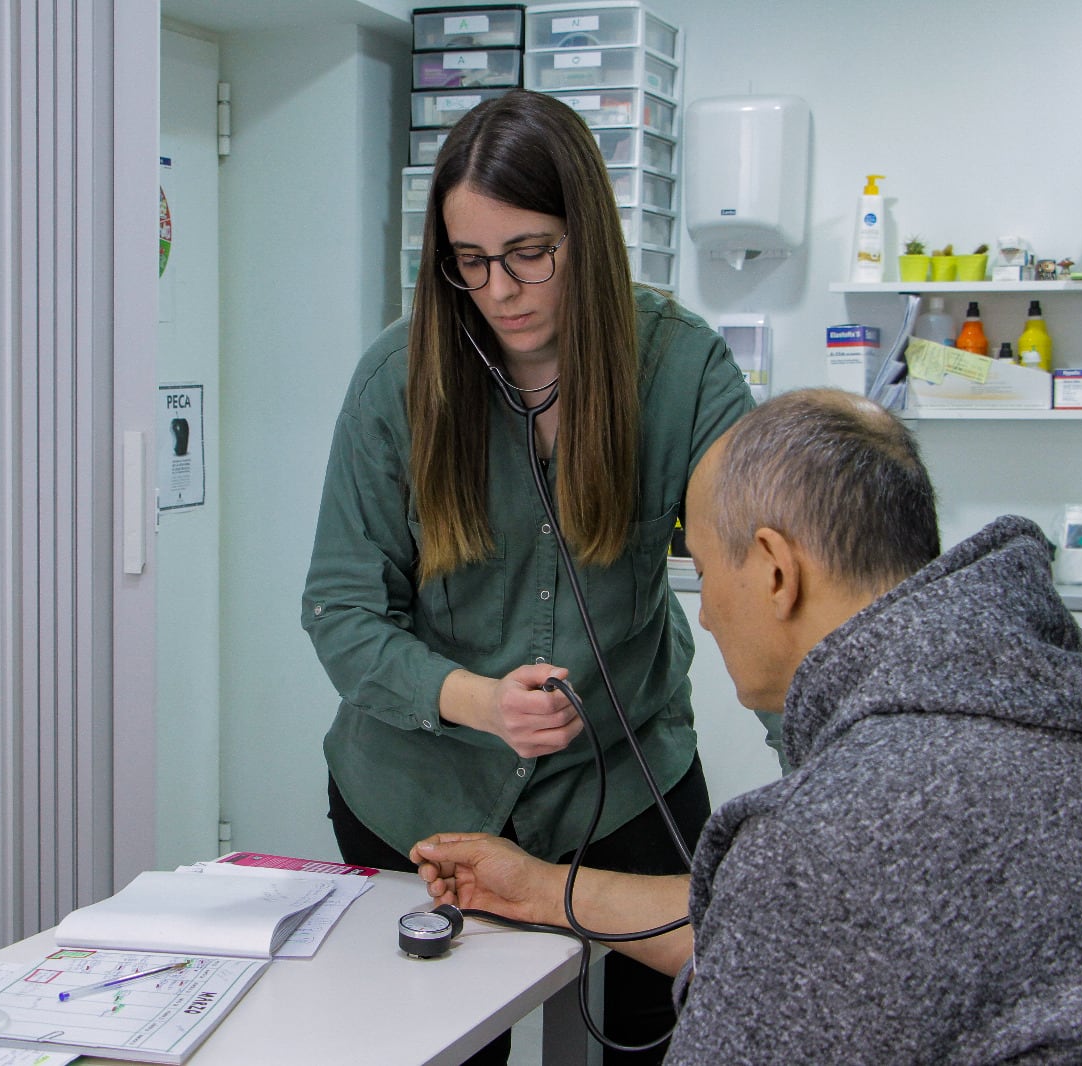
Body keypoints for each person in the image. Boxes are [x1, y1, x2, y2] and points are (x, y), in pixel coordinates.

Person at [412, 388, 1082, 1062]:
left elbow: (808, 914)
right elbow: (792, 935)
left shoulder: (846, 827)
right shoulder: (1050, 701)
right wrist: (543, 889)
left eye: (699, 567)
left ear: (774, 570)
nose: (710, 612)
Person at [301, 88, 753, 1063]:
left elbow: (769, 569)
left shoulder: (681, 368)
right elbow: (339, 609)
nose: (500, 290)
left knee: (667, 1036)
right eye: (470, 262)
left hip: (628, 779)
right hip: (417, 791)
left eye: (528, 254)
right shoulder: (395, 380)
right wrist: (473, 699)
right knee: (455, 1047)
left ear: (584, 234)